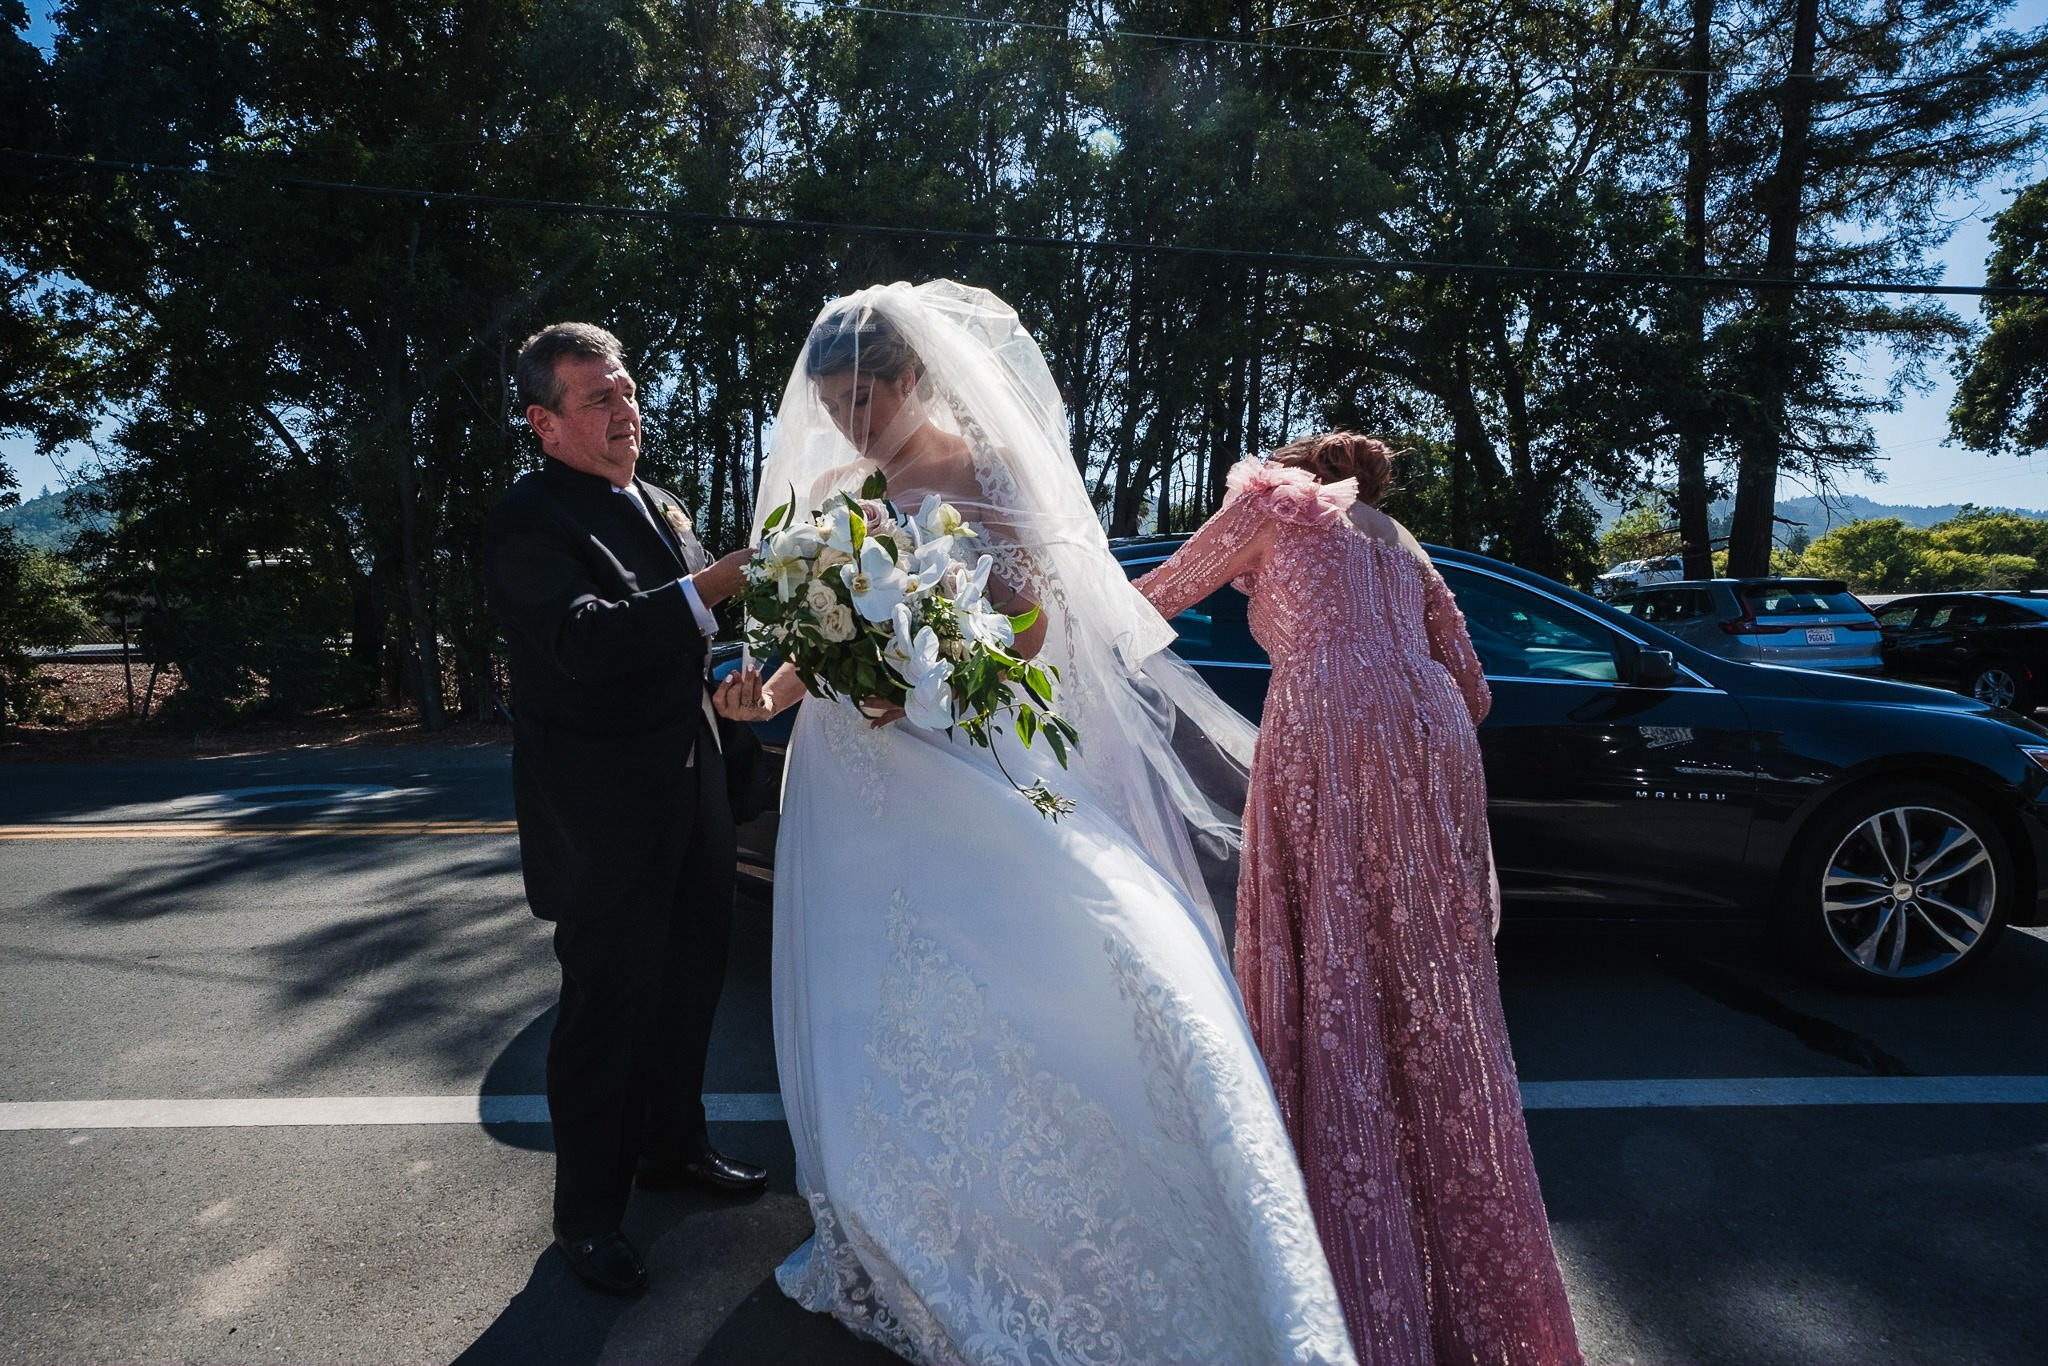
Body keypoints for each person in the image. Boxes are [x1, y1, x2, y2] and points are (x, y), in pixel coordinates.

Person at [714, 281, 1357, 1365]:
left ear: (915, 376)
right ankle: (887, 1212)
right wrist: (769, 693)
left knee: (1020, 963)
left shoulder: (982, 468)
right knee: (863, 992)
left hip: (954, 751)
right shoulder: (837, 482)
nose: (848, 420)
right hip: (846, 781)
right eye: (831, 401)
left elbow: (1023, 616)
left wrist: (915, 671)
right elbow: (814, 626)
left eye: (865, 396)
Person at [1132, 433, 1584, 1364]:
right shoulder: (1402, 539)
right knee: (1424, 979)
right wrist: (1403, 688)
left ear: (1298, 466)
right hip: (1434, 733)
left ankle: (1334, 1223)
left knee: (1334, 953)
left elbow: (1158, 594)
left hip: (1334, 726)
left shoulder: (1274, 504)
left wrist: (1034, 628)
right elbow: (1477, 686)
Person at [482, 322, 767, 1299]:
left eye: (629, 390)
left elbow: (684, 640)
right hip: (601, 814)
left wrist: (737, 678)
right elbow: (584, 640)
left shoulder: (658, 500)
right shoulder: (527, 520)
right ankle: (587, 1217)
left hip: (692, 786)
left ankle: (671, 1149)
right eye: (598, 399)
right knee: (606, 1012)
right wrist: (713, 583)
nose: (626, 410)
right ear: (543, 422)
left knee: (691, 983)